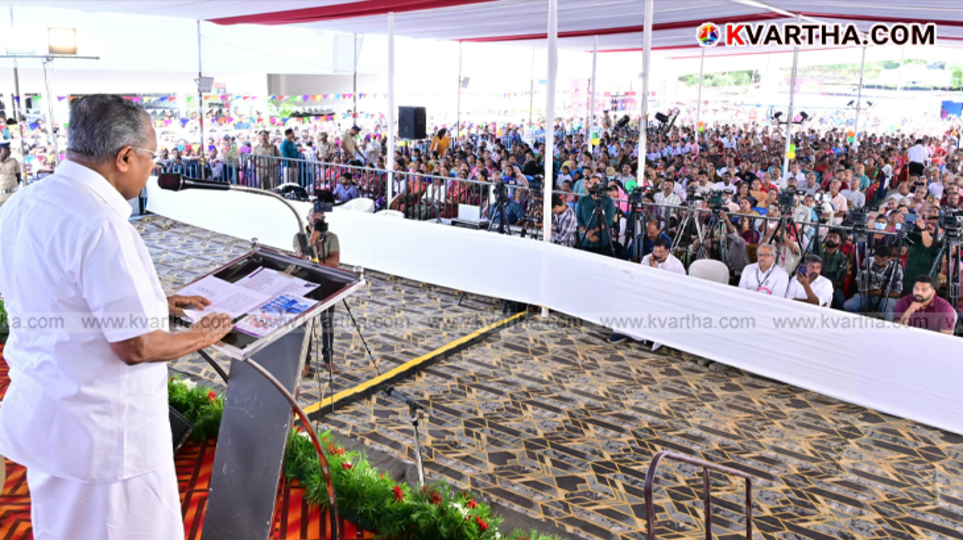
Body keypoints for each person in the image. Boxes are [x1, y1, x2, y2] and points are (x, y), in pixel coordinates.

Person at [0, 94, 232, 540]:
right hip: (106, 440)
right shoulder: (101, 224)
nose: (152, 168)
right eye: (151, 157)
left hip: (49, 417)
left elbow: (57, 294)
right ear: (125, 157)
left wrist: (154, 301)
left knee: (61, 528)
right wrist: (204, 335)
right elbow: (137, 346)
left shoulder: (27, 201)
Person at [294, 205, 343, 375]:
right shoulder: (299, 236)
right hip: (306, 285)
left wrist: (314, 261)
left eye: (320, 216)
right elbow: (301, 257)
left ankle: (328, 360)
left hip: (327, 284)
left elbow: (335, 261)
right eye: (313, 215)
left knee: (327, 323)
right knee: (307, 324)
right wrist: (313, 238)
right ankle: (305, 362)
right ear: (307, 219)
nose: (317, 218)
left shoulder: (332, 237)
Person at [608, 238, 684, 344]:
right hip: (647, 293)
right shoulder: (647, 259)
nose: (657, 254)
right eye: (655, 251)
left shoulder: (676, 265)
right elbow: (641, 278)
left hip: (666, 297)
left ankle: (645, 337)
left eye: (661, 252)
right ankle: (623, 332)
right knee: (624, 301)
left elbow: (681, 287)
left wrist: (656, 271)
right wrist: (650, 268)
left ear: (667, 251)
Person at [843, 244, 904, 321]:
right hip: (867, 294)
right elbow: (858, 279)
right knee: (847, 306)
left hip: (886, 298)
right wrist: (864, 289)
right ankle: (864, 322)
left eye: (883, 261)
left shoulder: (897, 268)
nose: (879, 263)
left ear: (890, 259)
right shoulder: (868, 261)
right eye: (877, 260)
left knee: (890, 316)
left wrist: (880, 293)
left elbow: (898, 293)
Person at [576, 176, 616, 255]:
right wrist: (586, 234)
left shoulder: (608, 201)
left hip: (602, 241)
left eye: (595, 184)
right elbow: (578, 218)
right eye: (590, 183)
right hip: (584, 241)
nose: (592, 186)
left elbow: (608, 221)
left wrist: (592, 231)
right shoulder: (582, 200)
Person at [901, 216, 941, 295]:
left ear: (941, 230)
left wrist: (923, 229)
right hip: (908, 284)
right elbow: (903, 233)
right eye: (928, 223)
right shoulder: (917, 237)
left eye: (934, 224)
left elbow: (928, 245)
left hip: (925, 286)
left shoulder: (941, 243)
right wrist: (900, 222)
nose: (929, 226)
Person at [820, 231, 850, 309]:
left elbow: (840, 278)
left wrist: (828, 287)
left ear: (840, 242)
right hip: (818, 283)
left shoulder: (843, 258)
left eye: (835, 238)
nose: (831, 239)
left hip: (834, 286)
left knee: (841, 303)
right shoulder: (819, 254)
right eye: (829, 236)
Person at [0, 141, 21, 208]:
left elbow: (18, 177)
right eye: (6, 149)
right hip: (1, 196)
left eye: (9, 149)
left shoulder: (13, 161)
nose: (9, 151)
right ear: (0, 150)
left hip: (13, 193)